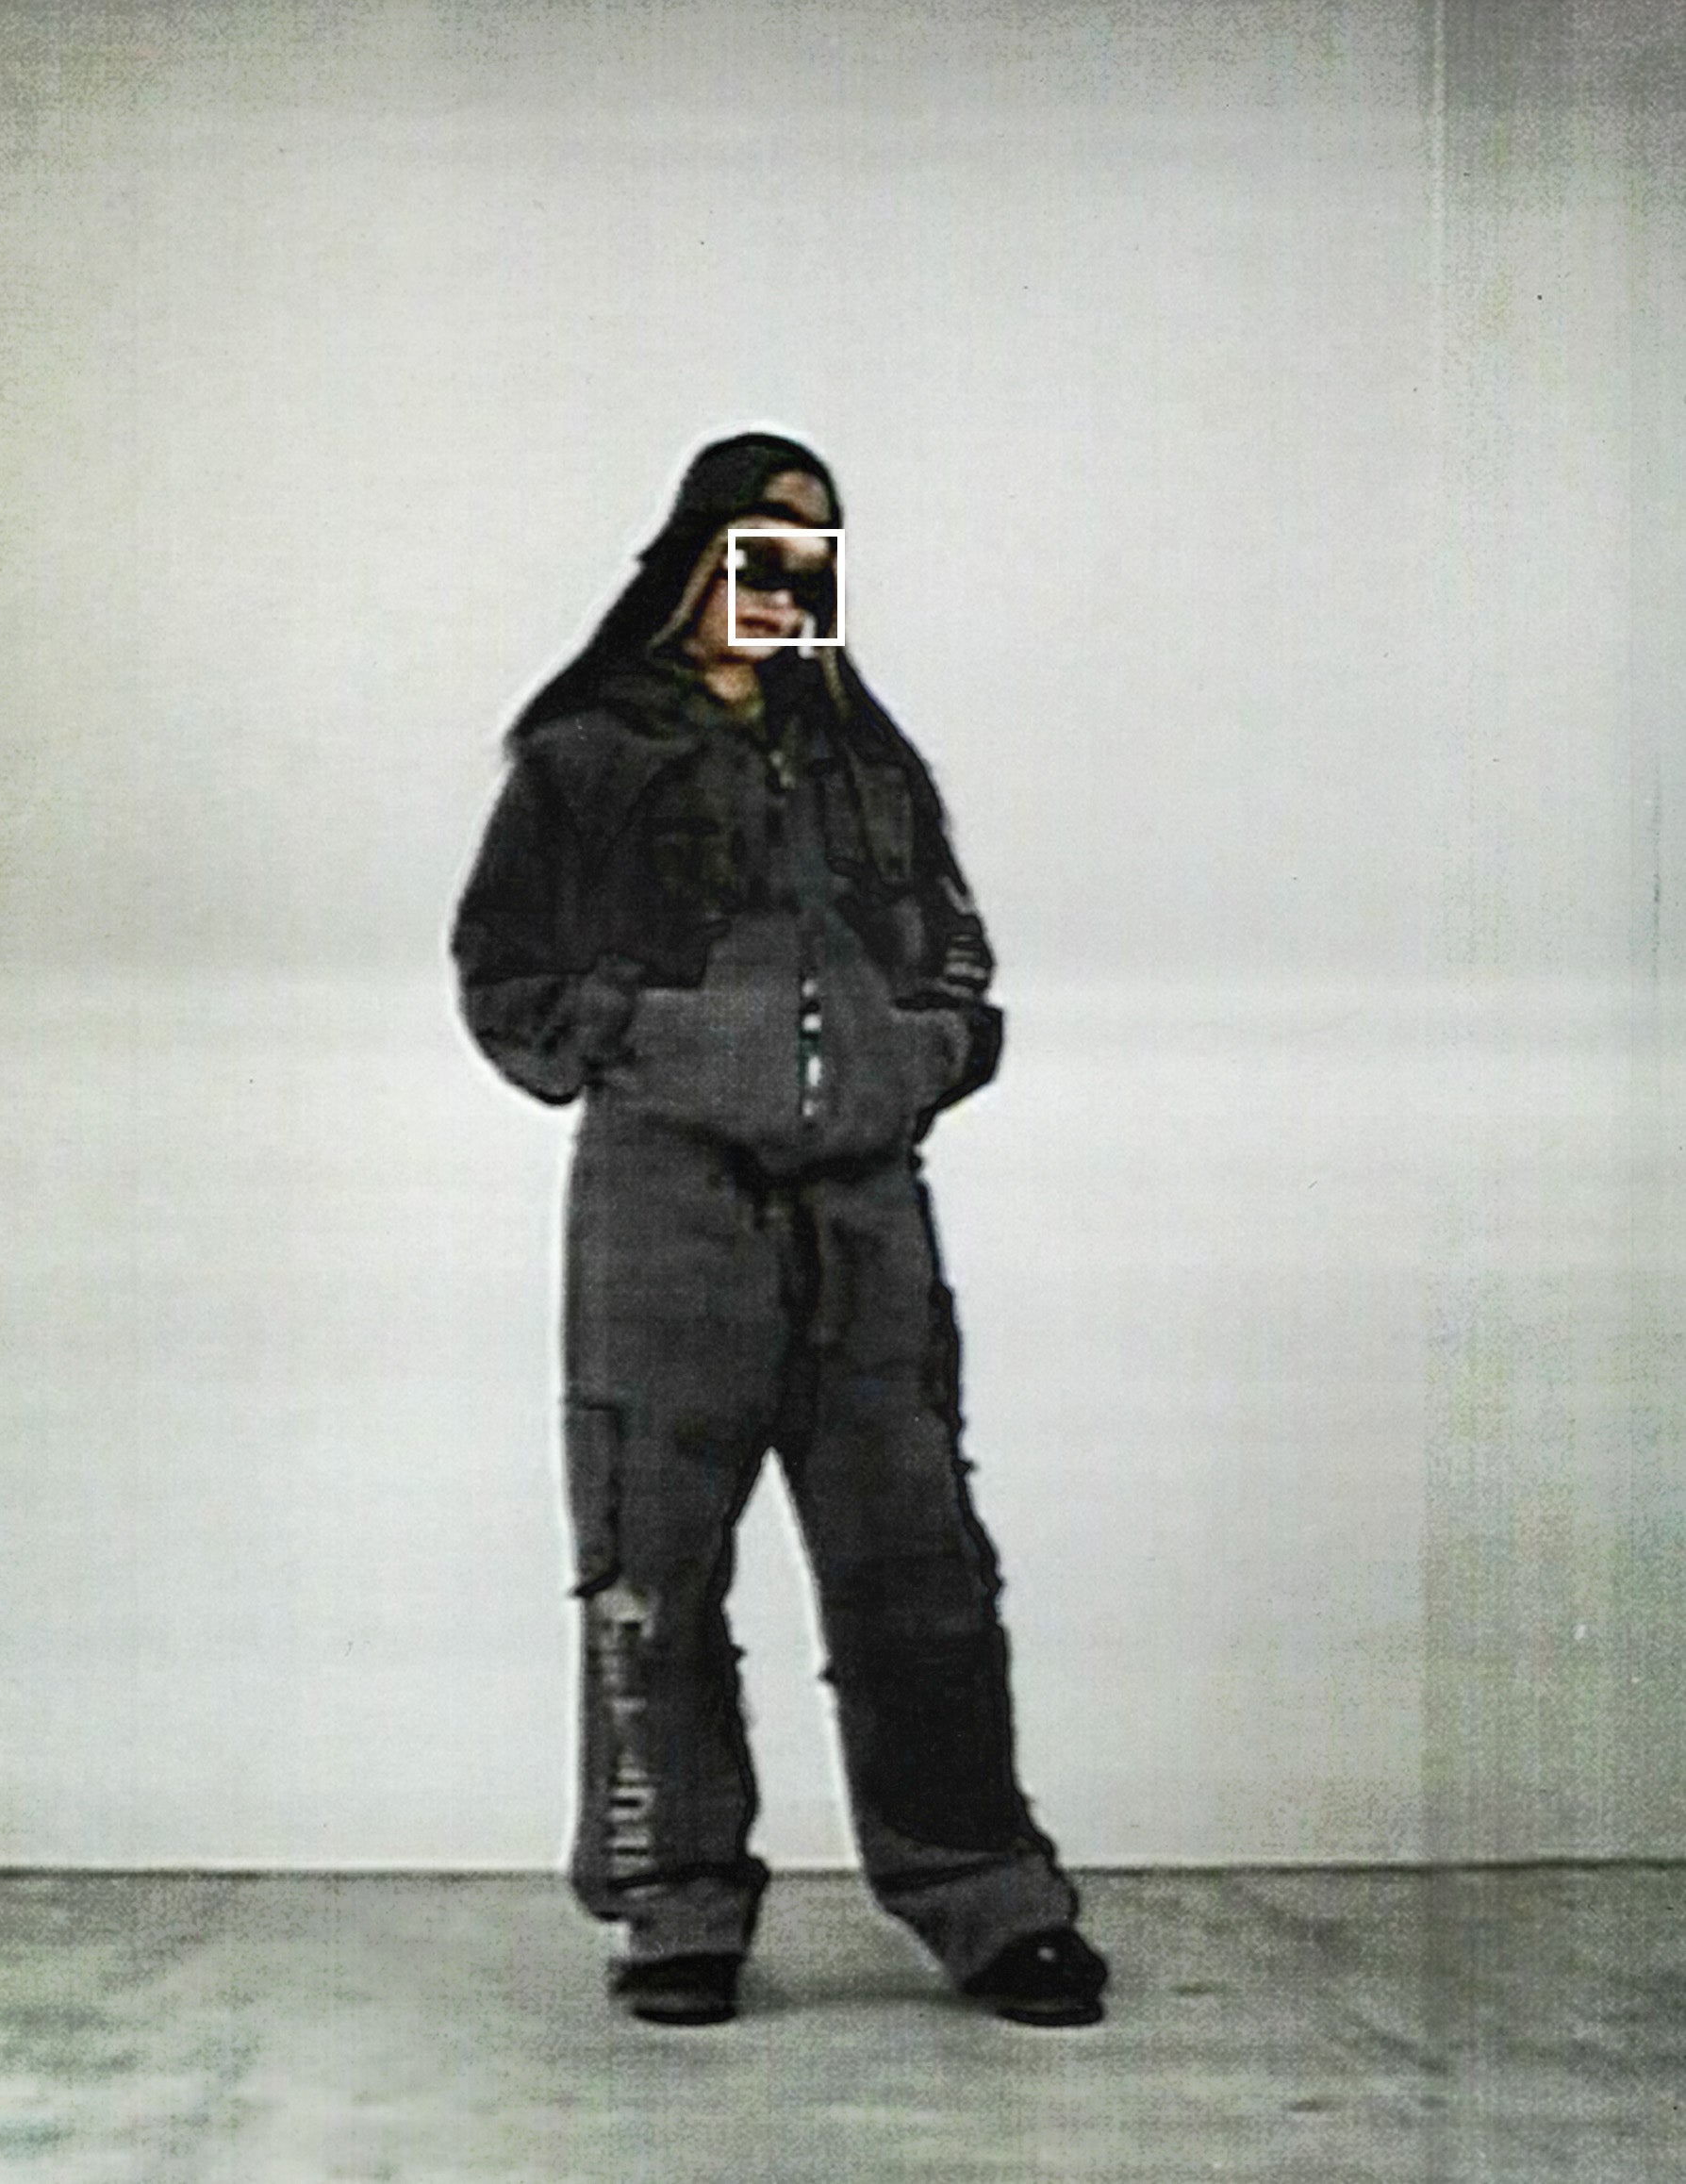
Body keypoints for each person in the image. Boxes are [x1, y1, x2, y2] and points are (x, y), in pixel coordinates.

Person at [451, 432, 1107, 2028]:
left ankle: (986, 1899)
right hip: (666, 1211)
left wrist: (922, 1054)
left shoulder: (870, 765)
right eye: (753, 550)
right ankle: (674, 1907)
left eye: (811, 561)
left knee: (920, 1568)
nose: (779, 586)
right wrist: (648, 1044)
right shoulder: (587, 758)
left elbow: (958, 959)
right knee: (653, 1572)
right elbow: (506, 973)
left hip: (867, 1214)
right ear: (691, 559)